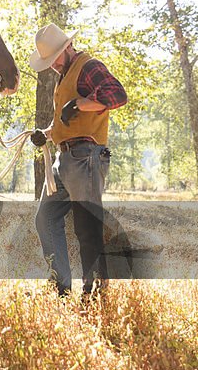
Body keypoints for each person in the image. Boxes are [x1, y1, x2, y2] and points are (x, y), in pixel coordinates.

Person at [29, 24, 127, 299]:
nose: (53, 65)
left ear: (68, 48)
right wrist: (46, 134)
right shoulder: (64, 76)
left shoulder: (88, 66)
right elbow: (67, 120)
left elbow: (117, 95)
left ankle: (94, 294)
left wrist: (82, 104)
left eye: (56, 58)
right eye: (49, 62)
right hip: (66, 157)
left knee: (86, 226)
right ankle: (60, 288)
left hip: (87, 157)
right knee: (45, 217)